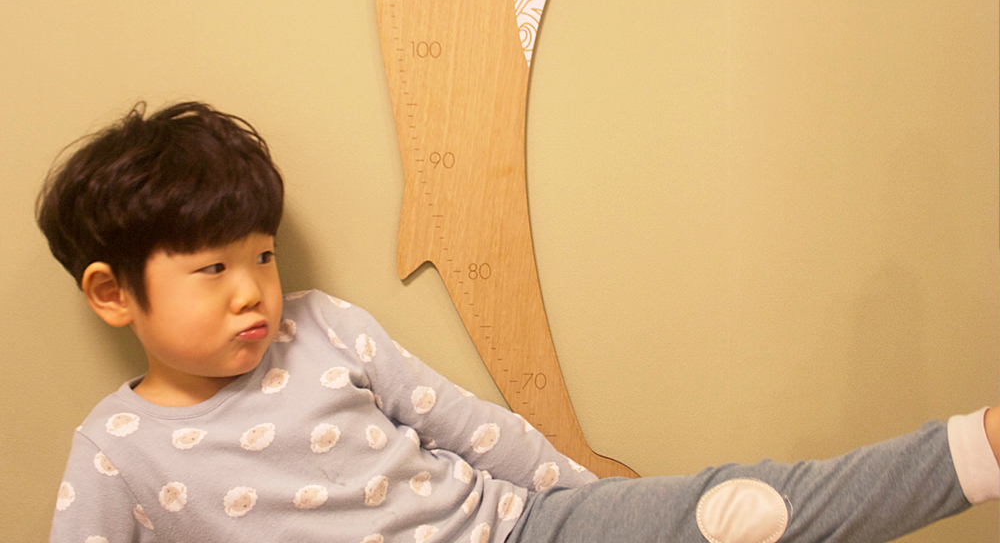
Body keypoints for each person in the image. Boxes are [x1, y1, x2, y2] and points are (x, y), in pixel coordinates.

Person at [37, 101, 998, 543]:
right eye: (213, 270)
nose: (253, 290)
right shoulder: (119, 451)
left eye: (262, 256)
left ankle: (978, 448)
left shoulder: (324, 328)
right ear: (114, 294)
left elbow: (471, 429)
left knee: (742, 509)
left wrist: (594, 512)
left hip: (521, 528)